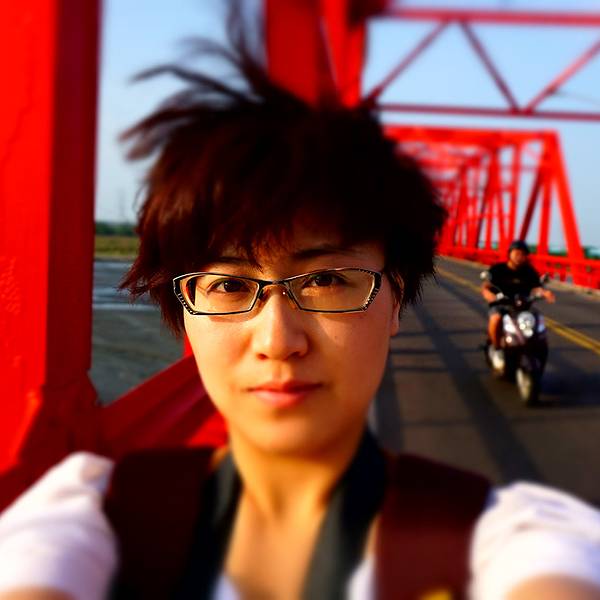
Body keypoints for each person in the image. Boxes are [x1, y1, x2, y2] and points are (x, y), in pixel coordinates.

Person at [1, 23, 600, 600]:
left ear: (396, 300)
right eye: (228, 286)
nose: (278, 339)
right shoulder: (93, 519)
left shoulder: (502, 540)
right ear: (181, 310)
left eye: (327, 280)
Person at [481, 240, 556, 370]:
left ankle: (536, 349)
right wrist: (488, 294)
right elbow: (486, 286)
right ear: (509, 254)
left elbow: (536, 287)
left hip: (523, 305)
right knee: (496, 319)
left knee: (537, 320)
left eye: (523, 254)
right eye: (516, 253)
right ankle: (497, 349)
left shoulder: (529, 271)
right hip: (501, 304)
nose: (519, 257)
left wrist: (545, 293)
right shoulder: (498, 269)